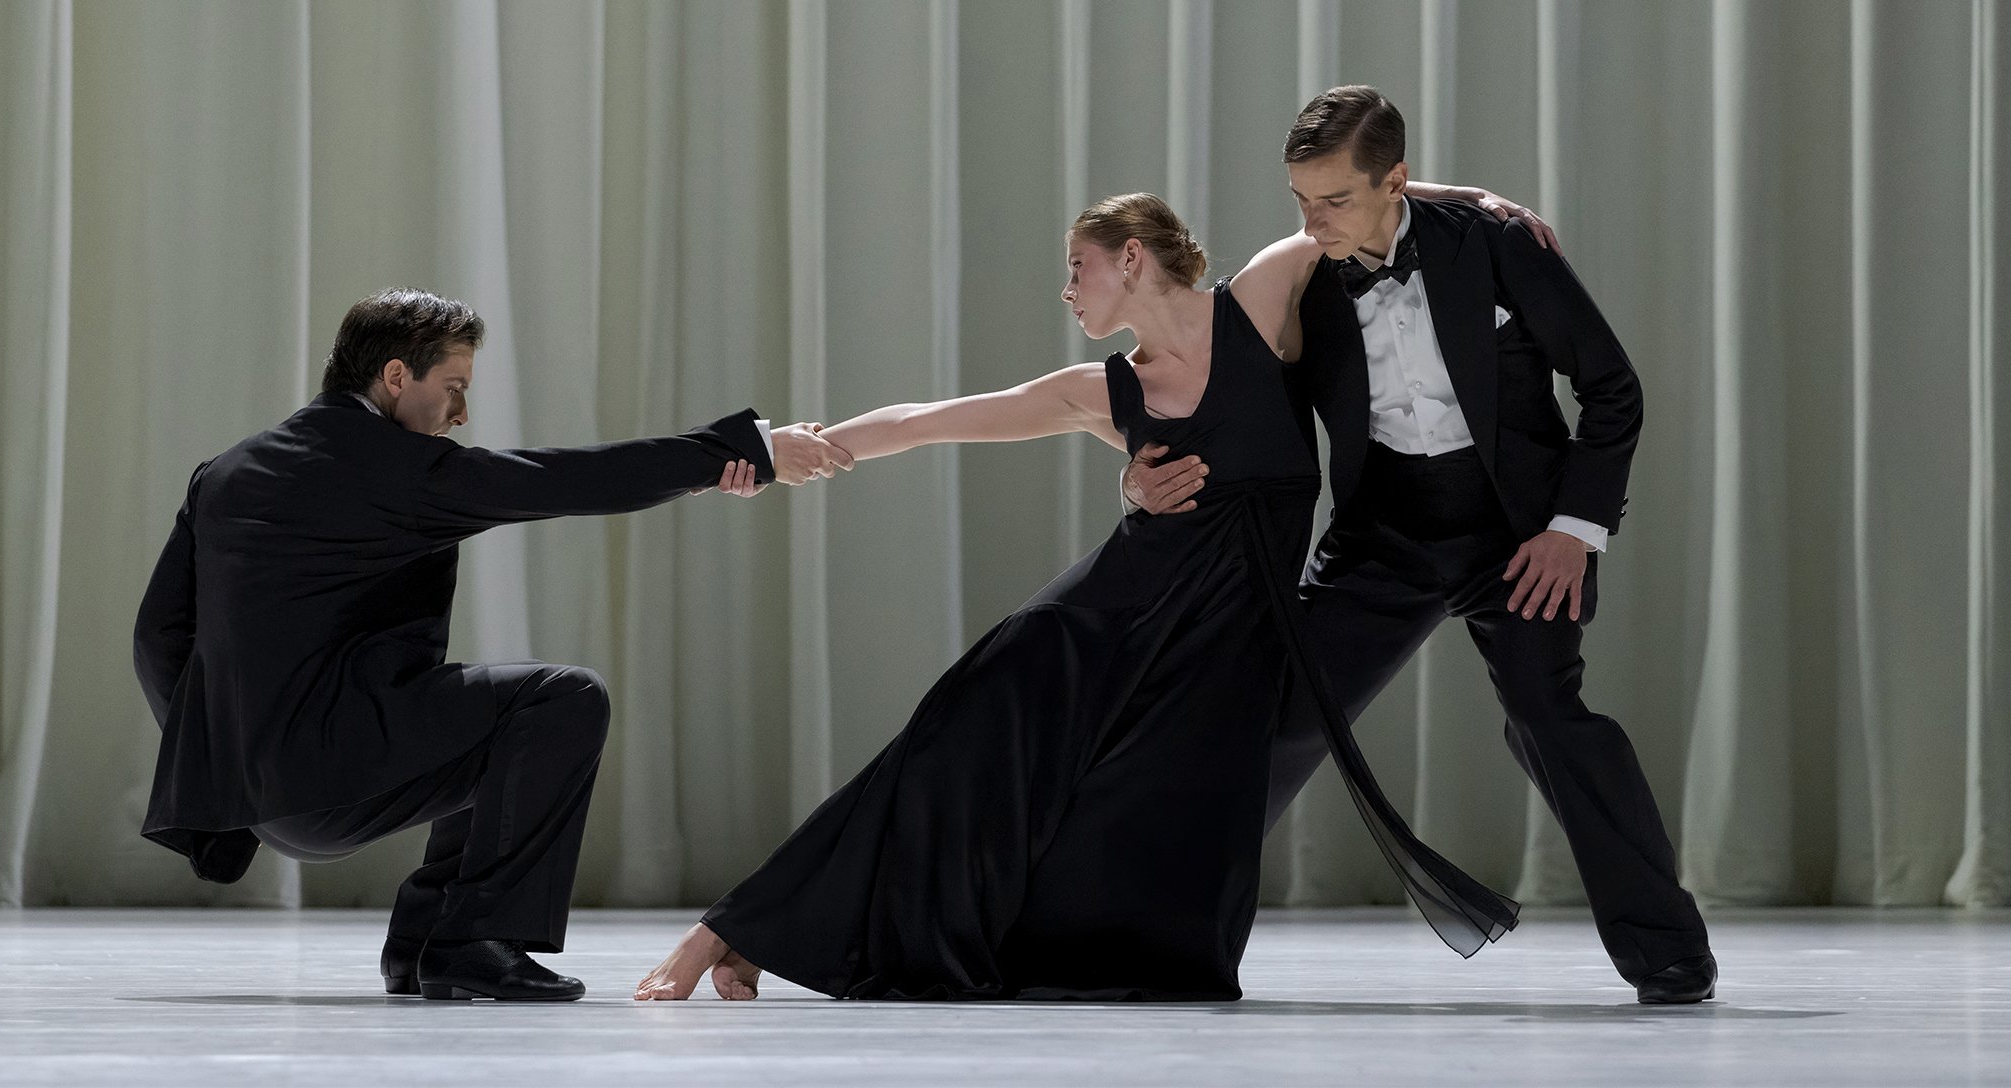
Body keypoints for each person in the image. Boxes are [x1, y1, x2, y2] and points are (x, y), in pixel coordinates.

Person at [636, 181, 1549, 1003]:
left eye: (1078, 268)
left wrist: (1473, 198)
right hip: (1089, 628)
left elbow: (1347, 205)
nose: (1068, 290)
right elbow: (925, 423)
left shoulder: (1262, 303)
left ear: (1131, 257)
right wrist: (801, 447)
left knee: (1147, 826)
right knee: (936, 761)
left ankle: (840, 940)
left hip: (1215, 650)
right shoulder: (1101, 392)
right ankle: (727, 932)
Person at [1126, 86, 1717, 1004]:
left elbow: (1611, 388)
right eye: (1300, 200)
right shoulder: (1295, 278)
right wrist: (1138, 475)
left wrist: (1572, 530)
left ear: (1395, 181)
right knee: (1272, 719)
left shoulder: (1493, 244)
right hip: (1382, 531)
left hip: (1518, 531)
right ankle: (1161, 939)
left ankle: (1671, 957)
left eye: (1336, 200)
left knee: (1550, 721)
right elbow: (1217, 406)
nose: (1313, 223)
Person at [132, 287, 851, 1002]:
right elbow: (569, 478)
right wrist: (746, 454)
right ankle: (473, 939)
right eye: (453, 388)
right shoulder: (393, 469)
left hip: (259, 798)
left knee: (492, 717)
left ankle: (423, 943)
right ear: (393, 377)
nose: (461, 413)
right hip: (334, 780)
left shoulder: (227, 472)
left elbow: (159, 638)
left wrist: (225, 765)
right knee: (561, 701)